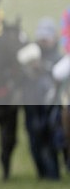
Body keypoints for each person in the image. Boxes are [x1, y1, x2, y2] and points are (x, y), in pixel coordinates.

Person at [19, 18, 64, 179]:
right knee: (34, 141)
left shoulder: (58, 58)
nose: (44, 41)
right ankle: (41, 174)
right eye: (41, 38)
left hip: (50, 107)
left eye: (47, 37)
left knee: (50, 140)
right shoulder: (30, 56)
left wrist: (43, 68)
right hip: (32, 106)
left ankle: (53, 174)